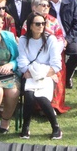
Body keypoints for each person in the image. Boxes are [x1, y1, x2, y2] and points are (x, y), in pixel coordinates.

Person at [17, 11, 63, 140]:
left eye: (43, 23)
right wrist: (30, 72)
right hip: (31, 75)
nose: (41, 26)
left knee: (42, 97)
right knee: (30, 96)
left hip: (46, 75)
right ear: (30, 26)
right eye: (37, 24)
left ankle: (56, 127)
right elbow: (22, 61)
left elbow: (56, 64)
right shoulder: (23, 40)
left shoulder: (51, 39)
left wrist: (40, 73)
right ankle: (25, 127)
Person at [43, 0, 77, 90]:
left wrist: (68, 39)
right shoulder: (44, 4)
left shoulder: (71, 1)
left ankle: (67, 75)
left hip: (69, 36)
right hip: (52, 38)